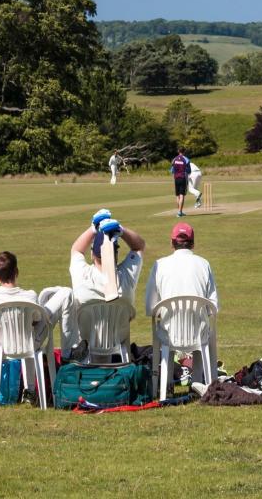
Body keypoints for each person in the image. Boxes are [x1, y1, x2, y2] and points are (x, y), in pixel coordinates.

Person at [144, 222, 217, 382]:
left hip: (169, 334)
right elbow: (213, 307)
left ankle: (166, 384)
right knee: (203, 329)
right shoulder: (204, 264)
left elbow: (150, 309)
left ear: (172, 243)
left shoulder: (160, 265)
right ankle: (198, 383)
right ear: (193, 243)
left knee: (164, 330)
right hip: (198, 333)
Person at [69, 211, 146, 341]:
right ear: (115, 253)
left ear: (93, 254)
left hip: (86, 345)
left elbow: (76, 250)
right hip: (119, 343)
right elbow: (139, 247)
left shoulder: (82, 275)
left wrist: (93, 229)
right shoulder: (127, 276)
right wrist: (121, 230)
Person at [0, 251, 76, 351]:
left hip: (2, 346)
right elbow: (36, 320)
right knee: (66, 293)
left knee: (47, 295)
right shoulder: (30, 296)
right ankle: (68, 353)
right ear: (16, 272)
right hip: (29, 346)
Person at [170, 148, 192, 217]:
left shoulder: (174, 159)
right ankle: (180, 212)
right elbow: (189, 171)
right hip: (183, 178)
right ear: (184, 152)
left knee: (177, 195)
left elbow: (171, 171)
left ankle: (179, 211)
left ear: (178, 151)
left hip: (176, 178)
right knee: (182, 195)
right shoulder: (186, 159)